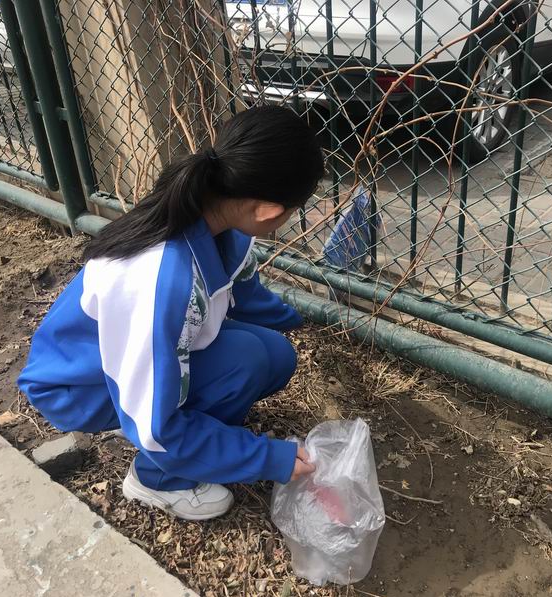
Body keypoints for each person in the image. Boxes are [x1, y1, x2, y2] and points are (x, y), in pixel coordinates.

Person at [18, 106, 324, 521]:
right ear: (267, 211)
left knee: (273, 354)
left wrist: (304, 319)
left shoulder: (217, 217)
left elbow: (247, 294)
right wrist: (270, 458)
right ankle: (156, 478)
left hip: (120, 357)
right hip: (79, 385)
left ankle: (188, 429)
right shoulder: (161, 279)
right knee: (244, 361)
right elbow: (156, 429)